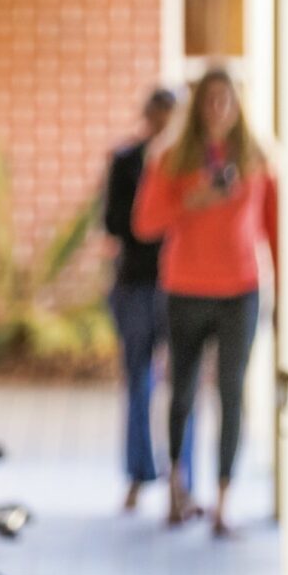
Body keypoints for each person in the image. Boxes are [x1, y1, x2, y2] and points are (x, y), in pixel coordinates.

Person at [132, 65, 277, 537]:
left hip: (240, 290)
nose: (218, 108)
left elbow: (274, 229)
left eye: (226, 99)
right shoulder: (171, 157)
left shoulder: (257, 158)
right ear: (197, 107)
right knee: (183, 391)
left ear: (238, 106)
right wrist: (188, 202)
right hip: (186, 288)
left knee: (232, 393)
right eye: (210, 99)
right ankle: (177, 489)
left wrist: (285, 291)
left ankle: (224, 501)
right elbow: (145, 224)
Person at [102, 86, 188, 512]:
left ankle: (181, 479)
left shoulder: (190, 165)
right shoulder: (125, 161)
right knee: (138, 381)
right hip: (136, 284)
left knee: (183, 387)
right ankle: (138, 474)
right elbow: (116, 223)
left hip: (181, 285)